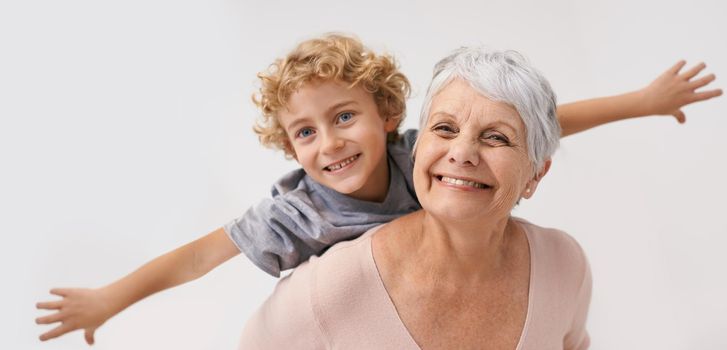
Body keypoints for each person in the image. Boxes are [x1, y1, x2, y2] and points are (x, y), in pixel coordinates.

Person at [35, 34, 721, 345]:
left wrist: (641, 100)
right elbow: (199, 257)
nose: (329, 145)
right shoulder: (299, 217)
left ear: (390, 118)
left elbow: (540, 124)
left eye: (343, 118)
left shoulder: (418, 153)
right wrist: (108, 300)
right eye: (304, 134)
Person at [239, 47, 591, 349]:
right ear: (417, 148)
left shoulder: (563, 264)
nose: (462, 153)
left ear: (535, 174)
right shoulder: (332, 286)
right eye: (444, 129)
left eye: (496, 137)